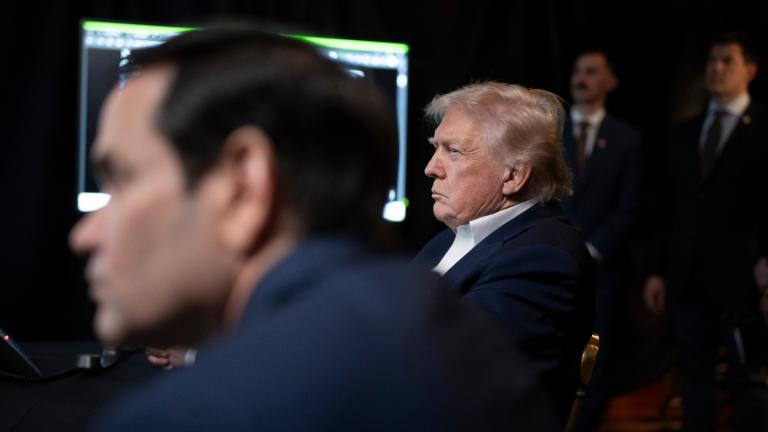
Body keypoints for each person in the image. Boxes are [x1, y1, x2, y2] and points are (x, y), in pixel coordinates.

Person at [69, 26, 557, 431]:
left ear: (245, 185)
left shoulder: (183, 418)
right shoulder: (416, 299)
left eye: (124, 178)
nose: (83, 234)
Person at [412, 81, 594, 423]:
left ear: (512, 176)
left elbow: (456, 379)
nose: (431, 167)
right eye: (436, 148)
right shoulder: (449, 237)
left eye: (452, 151)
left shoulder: (544, 259)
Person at [643, 30, 768, 431]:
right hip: (687, 278)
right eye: (712, 60)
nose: (716, 68)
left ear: (750, 69)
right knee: (696, 380)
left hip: (745, 281)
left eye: (727, 60)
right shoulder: (683, 133)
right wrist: (657, 269)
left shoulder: (765, 129)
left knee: (747, 379)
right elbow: (666, 208)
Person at [560, 49, 642, 431]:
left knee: (596, 358)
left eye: (591, 72)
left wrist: (590, 249)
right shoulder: (548, 131)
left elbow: (629, 206)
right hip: (551, 257)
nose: (581, 78)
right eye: (578, 70)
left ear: (610, 82)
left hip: (600, 269)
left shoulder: (626, 139)